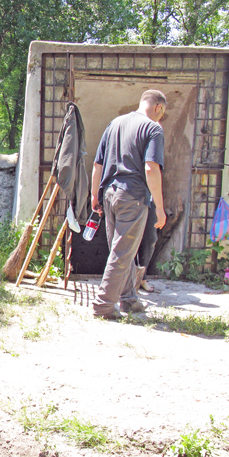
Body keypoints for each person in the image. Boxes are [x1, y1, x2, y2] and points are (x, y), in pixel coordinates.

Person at [91, 90, 168, 320]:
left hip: (109, 194)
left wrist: (94, 195)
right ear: (158, 108)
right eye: (162, 114)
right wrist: (160, 208)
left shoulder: (115, 123)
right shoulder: (153, 128)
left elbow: (98, 163)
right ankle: (103, 305)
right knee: (122, 253)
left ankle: (129, 299)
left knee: (123, 251)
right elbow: (151, 168)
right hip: (132, 197)